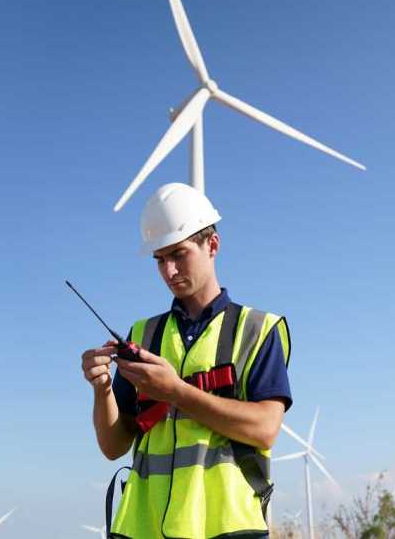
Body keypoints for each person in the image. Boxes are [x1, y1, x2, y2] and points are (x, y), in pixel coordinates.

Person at [80, 182, 292, 539]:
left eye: (179, 254)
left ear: (212, 245)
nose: (169, 271)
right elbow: (114, 447)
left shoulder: (257, 329)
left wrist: (175, 391)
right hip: (143, 528)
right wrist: (102, 391)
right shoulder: (143, 335)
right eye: (160, 260)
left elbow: (265, 429)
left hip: (225, 528)